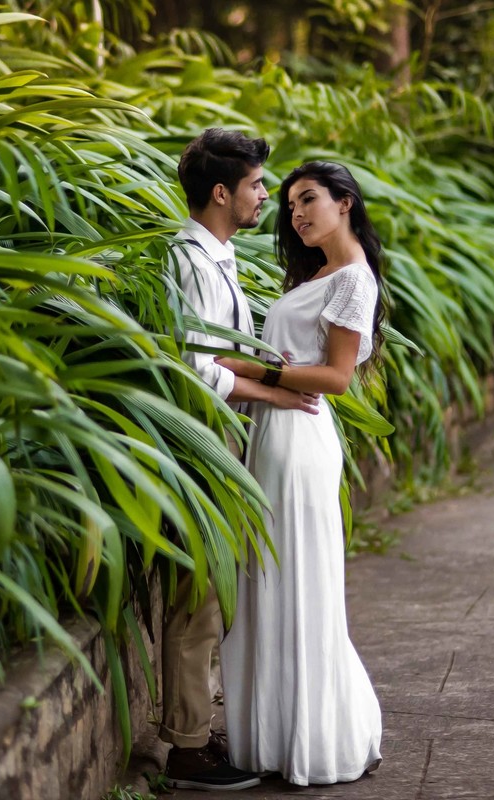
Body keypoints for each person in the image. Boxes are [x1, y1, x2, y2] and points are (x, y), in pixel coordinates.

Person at [215, 161, 387, 786]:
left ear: (345, 203)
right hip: (275, 433)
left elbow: (336, 378)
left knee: (295, 584)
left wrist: (255, 370)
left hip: (299, 437)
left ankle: (311, 742)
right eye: (290, 206)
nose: (296, 214)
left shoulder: (354, 280)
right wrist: (264, 374)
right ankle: (274, 737)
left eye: (308, 199)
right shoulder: (319, 274)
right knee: (271, 584)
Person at [159, 129, 321, 792]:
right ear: (222, 193)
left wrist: (272, 374)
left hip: (222, 437)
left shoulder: (216, 255)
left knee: (214, 590)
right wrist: (278, 392)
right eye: (256, 184)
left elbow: (222, 352)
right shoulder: (192, 261)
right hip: (203, 441)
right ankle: (187, 750)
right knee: (198, 592)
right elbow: (198, 370)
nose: (265, 195)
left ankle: (197, 731)